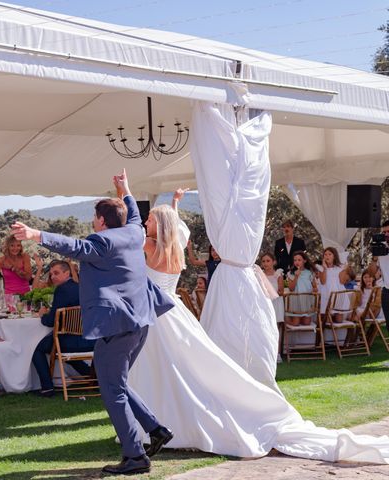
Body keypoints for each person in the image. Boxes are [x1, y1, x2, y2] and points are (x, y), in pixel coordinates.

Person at [128, 189, 389, 463]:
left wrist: (127, 196)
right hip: (170, 316)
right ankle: (162, 423)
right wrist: (175, 205)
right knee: (175, 371)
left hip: (158, 318)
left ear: (160, 226)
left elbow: (133, 234)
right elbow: (177, 232)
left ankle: (161, 424)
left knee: (166, 371)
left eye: (150, 221)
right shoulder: (171, 248)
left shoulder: (150, 247)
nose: (146, 224)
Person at [12, 169, 175, 475]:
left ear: (101, 220)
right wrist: (126, 188)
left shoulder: (101, 242)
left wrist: (37, 235)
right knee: (116, 381)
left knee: (111, 388)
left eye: (94, 216)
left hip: (118, 325)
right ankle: (156, 429)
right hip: (140, 321)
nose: (93, 221)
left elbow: (75, 248)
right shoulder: (133, 232)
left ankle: (135, 457)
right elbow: (135, 217)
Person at [30, 260, 95, 397]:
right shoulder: (81, 287)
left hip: (71, 341)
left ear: (67, 273)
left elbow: (51, 322)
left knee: (37, 349)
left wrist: (42, 315)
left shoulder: (62, 290)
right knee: (65, 352)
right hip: (90, 340)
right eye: (51, 274)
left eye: (56, 273)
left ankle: (47, 388)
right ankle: (93, 377)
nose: (53, 276)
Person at [316, 247, 355, 320]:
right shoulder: (321, 268)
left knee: (339, 320)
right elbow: (323, 282)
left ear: (334, 256)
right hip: (326, 294)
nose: (327, 256)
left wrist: (345, 270)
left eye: (329, 254)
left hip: (338, 296)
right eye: (325, 254)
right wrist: (324, 268)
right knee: (327, 320)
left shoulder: (340, 267)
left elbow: (342, 281)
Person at [286, 251, 318, 326]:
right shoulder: (291, 273)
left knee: (307, 323)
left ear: (305, 261)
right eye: (295, 260)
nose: (297, 262)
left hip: (306, 300)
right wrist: (296, 276)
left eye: (299, 260)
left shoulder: (309, 273)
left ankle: (300, 318)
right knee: (295, 323)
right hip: (296, 300)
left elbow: (315, 286)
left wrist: (315, 289)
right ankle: (286, 319)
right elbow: (291, 288)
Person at [368, 220, 389, 333]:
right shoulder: (381, 248)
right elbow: (372, 273)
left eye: (388, 231)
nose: (386, 234)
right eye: (384, 232)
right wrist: (375, 257)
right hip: (386, 291)